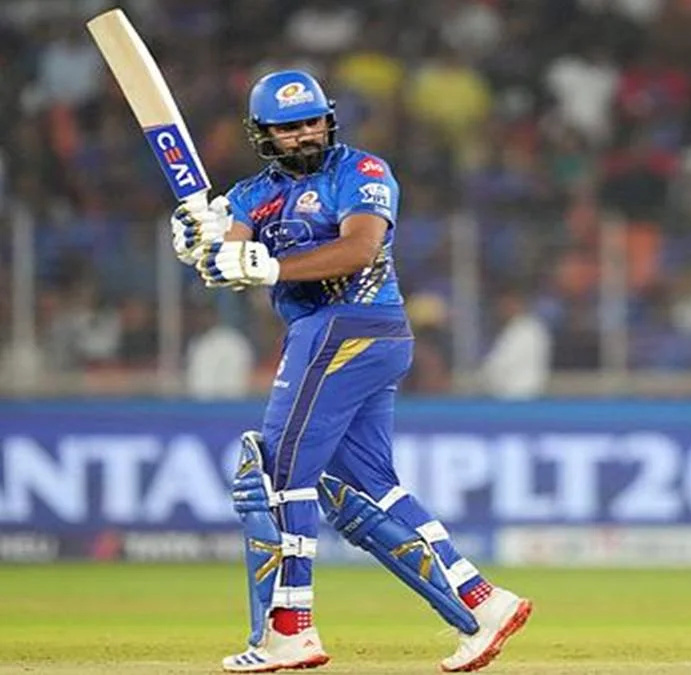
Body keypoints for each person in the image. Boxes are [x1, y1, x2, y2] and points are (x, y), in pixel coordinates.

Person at [170, 69, 531, 673]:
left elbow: (360, 248)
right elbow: (230, 260)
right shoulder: (249, 195)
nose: (305, 134)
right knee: (363, 491)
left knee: (274, 474)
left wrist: (268, 268)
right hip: (333, 335)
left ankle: (290, 630)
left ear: (328, 119)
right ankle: (483, 601)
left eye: (312, 121)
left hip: (352, 324)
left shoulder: (360, 171)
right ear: (263, 134)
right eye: (289, 127)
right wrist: (202, 246)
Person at [478, 284, 552, 399]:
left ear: (520, 304)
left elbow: (504, 365)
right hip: (503, 397)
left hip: (523, 395)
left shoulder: (530, 330)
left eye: (509, 304)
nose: (504, 308)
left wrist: (485, 376)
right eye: (503, 304)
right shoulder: (510, 329)